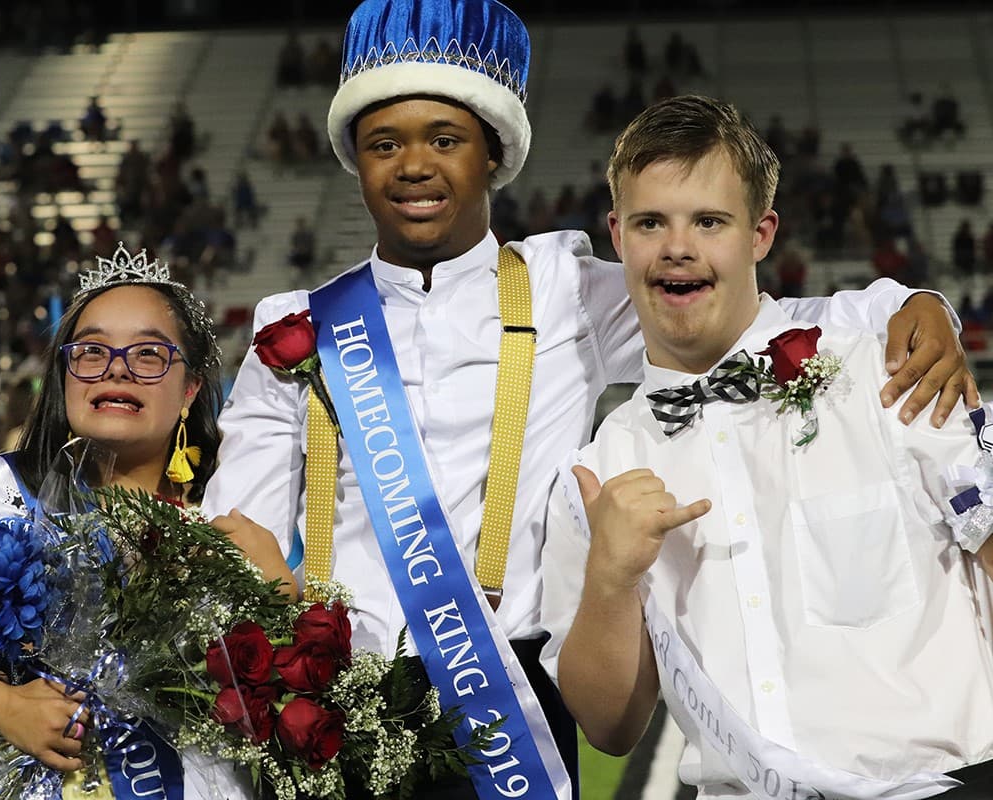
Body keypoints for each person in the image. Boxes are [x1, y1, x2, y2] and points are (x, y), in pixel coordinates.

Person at [204, 2, 973, 798]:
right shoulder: (294, 329)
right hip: (333, 704)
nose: (413, 166)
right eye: (383, 144)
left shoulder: (564, 287)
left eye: (445, 140)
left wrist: (912, 303)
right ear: (353, 161)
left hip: (513, 705)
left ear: (493, 154)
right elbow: (239, 525)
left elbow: (751, 319)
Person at [540, 95, 993, 799]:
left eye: (710, 222)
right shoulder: (601, 467)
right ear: (617, 236)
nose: (677, 246)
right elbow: (610, 727)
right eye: (650, 222)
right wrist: (611, 579)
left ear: (761, 234)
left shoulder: (891, 372)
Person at [0, 244, 290, 797]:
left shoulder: (234, 503)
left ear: (189, 389)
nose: (116, 369)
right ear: (64, 375)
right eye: (91, 352)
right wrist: (3, 705)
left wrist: (281, 590)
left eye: (148, 355)